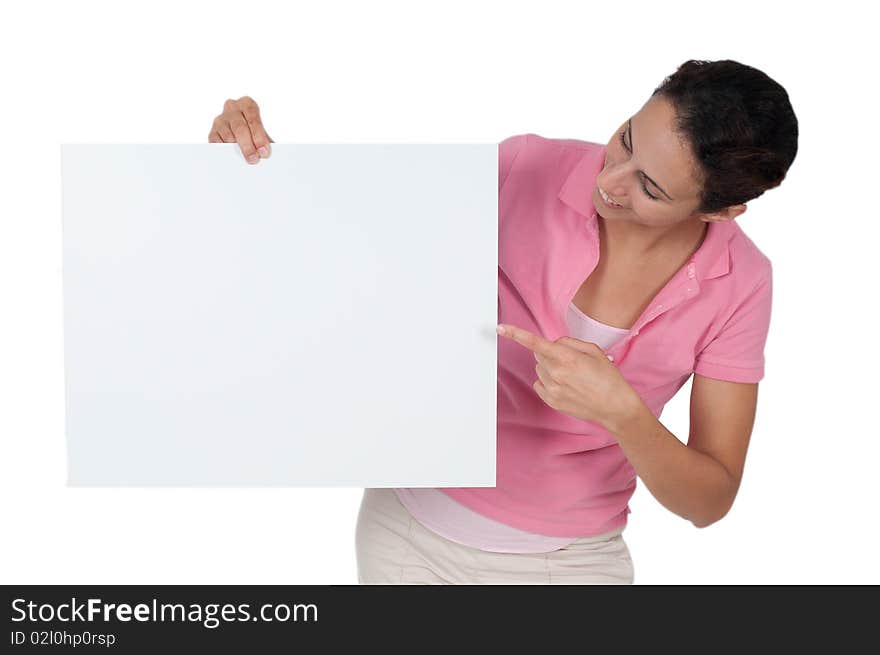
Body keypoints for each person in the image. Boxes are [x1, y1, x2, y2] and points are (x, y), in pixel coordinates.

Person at [208, 59, 799, 584]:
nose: (609, 183)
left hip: (569, 563)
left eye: (648, 186)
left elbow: (709, 500)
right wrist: (242, 169)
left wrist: (623, 414)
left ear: (719, 211)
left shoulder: (741, 283)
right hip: (405, 530)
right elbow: (343, 250)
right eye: (625, 141)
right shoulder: (527, 167)